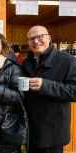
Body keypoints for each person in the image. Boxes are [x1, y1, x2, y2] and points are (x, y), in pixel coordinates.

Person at [21, 25, 76, 153]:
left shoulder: (67, 61)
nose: (35, 41)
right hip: (31, 129)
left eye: (39, 37)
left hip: (53, 131)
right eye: (31, 39)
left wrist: (45, 85)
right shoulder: (26, 63)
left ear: (49, 38)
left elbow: (74, 91)